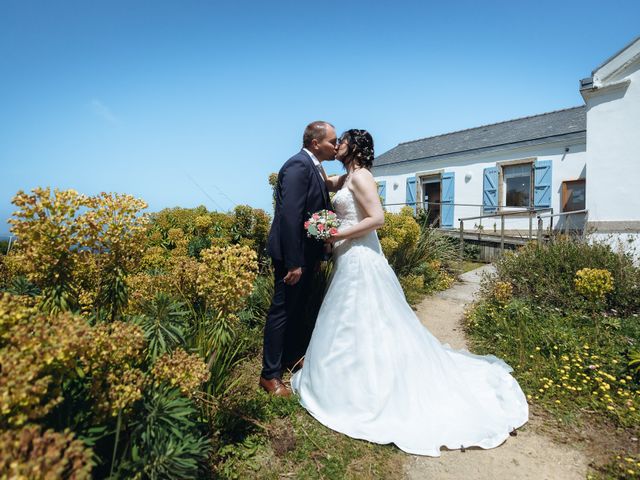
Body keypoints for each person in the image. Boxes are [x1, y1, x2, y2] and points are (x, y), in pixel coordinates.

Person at [291, 129, 528, 456]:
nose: (338, 145)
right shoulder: (346, 178)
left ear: (355, 147)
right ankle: (350, 378)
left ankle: (371, 387)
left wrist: (336, 233)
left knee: (362, 315)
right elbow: (324, 179)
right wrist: (311, 161)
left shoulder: (361, 178)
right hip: (347, 256)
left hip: (360, 255)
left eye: (342, 140)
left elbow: (377, 218)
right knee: (351, 320)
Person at [261, 121, 337, 397]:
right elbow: (290, 215)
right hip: (292, 256)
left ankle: (291, 356)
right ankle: (269, 375)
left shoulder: (315, 167)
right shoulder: (298, 165)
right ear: (315, 143)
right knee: (281, 312)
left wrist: (320, 250)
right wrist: (293, 262)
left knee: (297, 308)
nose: (336, 146)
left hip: (307, 254)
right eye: (332, 141)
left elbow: (314, 212)